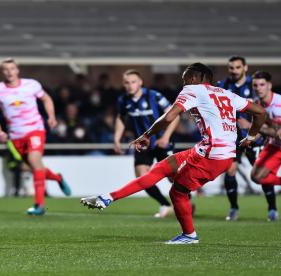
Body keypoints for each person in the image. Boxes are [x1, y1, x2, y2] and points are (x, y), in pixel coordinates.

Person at [81, 63, 265, 244]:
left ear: (195, 78)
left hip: (212, 155)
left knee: (177, 192)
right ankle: (107, 198)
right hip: (215, 151)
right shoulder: (226, 93)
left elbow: (169, 116)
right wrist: (251, 136)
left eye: (185, 77)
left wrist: (147, 135)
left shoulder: (192, 90)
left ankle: (189, 235)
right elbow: (259, 112)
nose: (183, 82)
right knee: (162, 168)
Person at [0, 58, 72, 215]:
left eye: (12, 68)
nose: (9, 72)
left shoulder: (31, 84)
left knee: (34, 161)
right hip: (15, 135)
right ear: (2, 72)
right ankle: (58, 178)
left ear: (17, 70)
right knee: (34, 167)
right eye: (6, 69)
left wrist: (51, 116)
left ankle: (39, 205)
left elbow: (46, 99)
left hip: (35, 130)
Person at [114, 70, 178, 218]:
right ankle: (165, 204)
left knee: (172, 177)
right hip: (143, 144)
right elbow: (121, 118)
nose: (130, 85)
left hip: (162, 142)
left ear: (140, 82)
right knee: (142, 178)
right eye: (127, 83)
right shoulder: (123, 100)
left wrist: (166, 137)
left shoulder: (154, 96)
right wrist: (116, 138)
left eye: (133, 82)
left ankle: (185, 201)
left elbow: (174, 116)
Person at [217, 56, 258, 221]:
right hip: (232, 138)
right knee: (230, 170)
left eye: (237, 67)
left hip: (254, 136)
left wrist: (249, 125)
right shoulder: (222, 86)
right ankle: (233, 208)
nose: (234, 70)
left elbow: (264, 110)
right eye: (231, 68)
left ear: (245, 68)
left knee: (261, 173)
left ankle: (272, 208)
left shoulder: (256, 85)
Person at [249, 71, 281, 221]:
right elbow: (265, 131)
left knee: (261, 176)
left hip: (277, 143)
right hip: (274, 145)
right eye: (255, 85)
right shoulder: (257, 103)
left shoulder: (279, 103)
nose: (258, 88)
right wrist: (252, 136)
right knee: (255, 177)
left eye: (262, 84)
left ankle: (272, 209)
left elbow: (278, 133)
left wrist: (254, 126)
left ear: (269, 85)